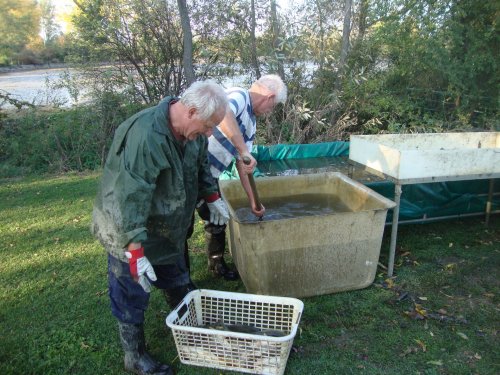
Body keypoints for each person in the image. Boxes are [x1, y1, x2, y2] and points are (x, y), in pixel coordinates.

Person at [91, 80, 230, 375]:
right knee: (131, 291)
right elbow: (131, 196)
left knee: (177, 276)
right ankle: (134, 356)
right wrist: (134, 251)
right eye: (208, 126)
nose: (209, 133)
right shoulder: (146, 136)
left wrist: (213, 197)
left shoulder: (195, 135)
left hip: (169, 226)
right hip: (127, 225)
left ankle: (187, 325)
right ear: (191, 111)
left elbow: (201, 167)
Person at [187, 74, 287, 280]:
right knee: (182, 225)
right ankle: (180, 279)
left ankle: (216, 265)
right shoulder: (238, 95)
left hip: (210, 177)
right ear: (269, 96)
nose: (270, 112)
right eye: (273, 106)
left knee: (218, 219)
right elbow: (223, 115)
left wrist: (253, 202)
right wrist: (242, 149)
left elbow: (244, 164)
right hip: (189, 170)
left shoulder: (251, 122)